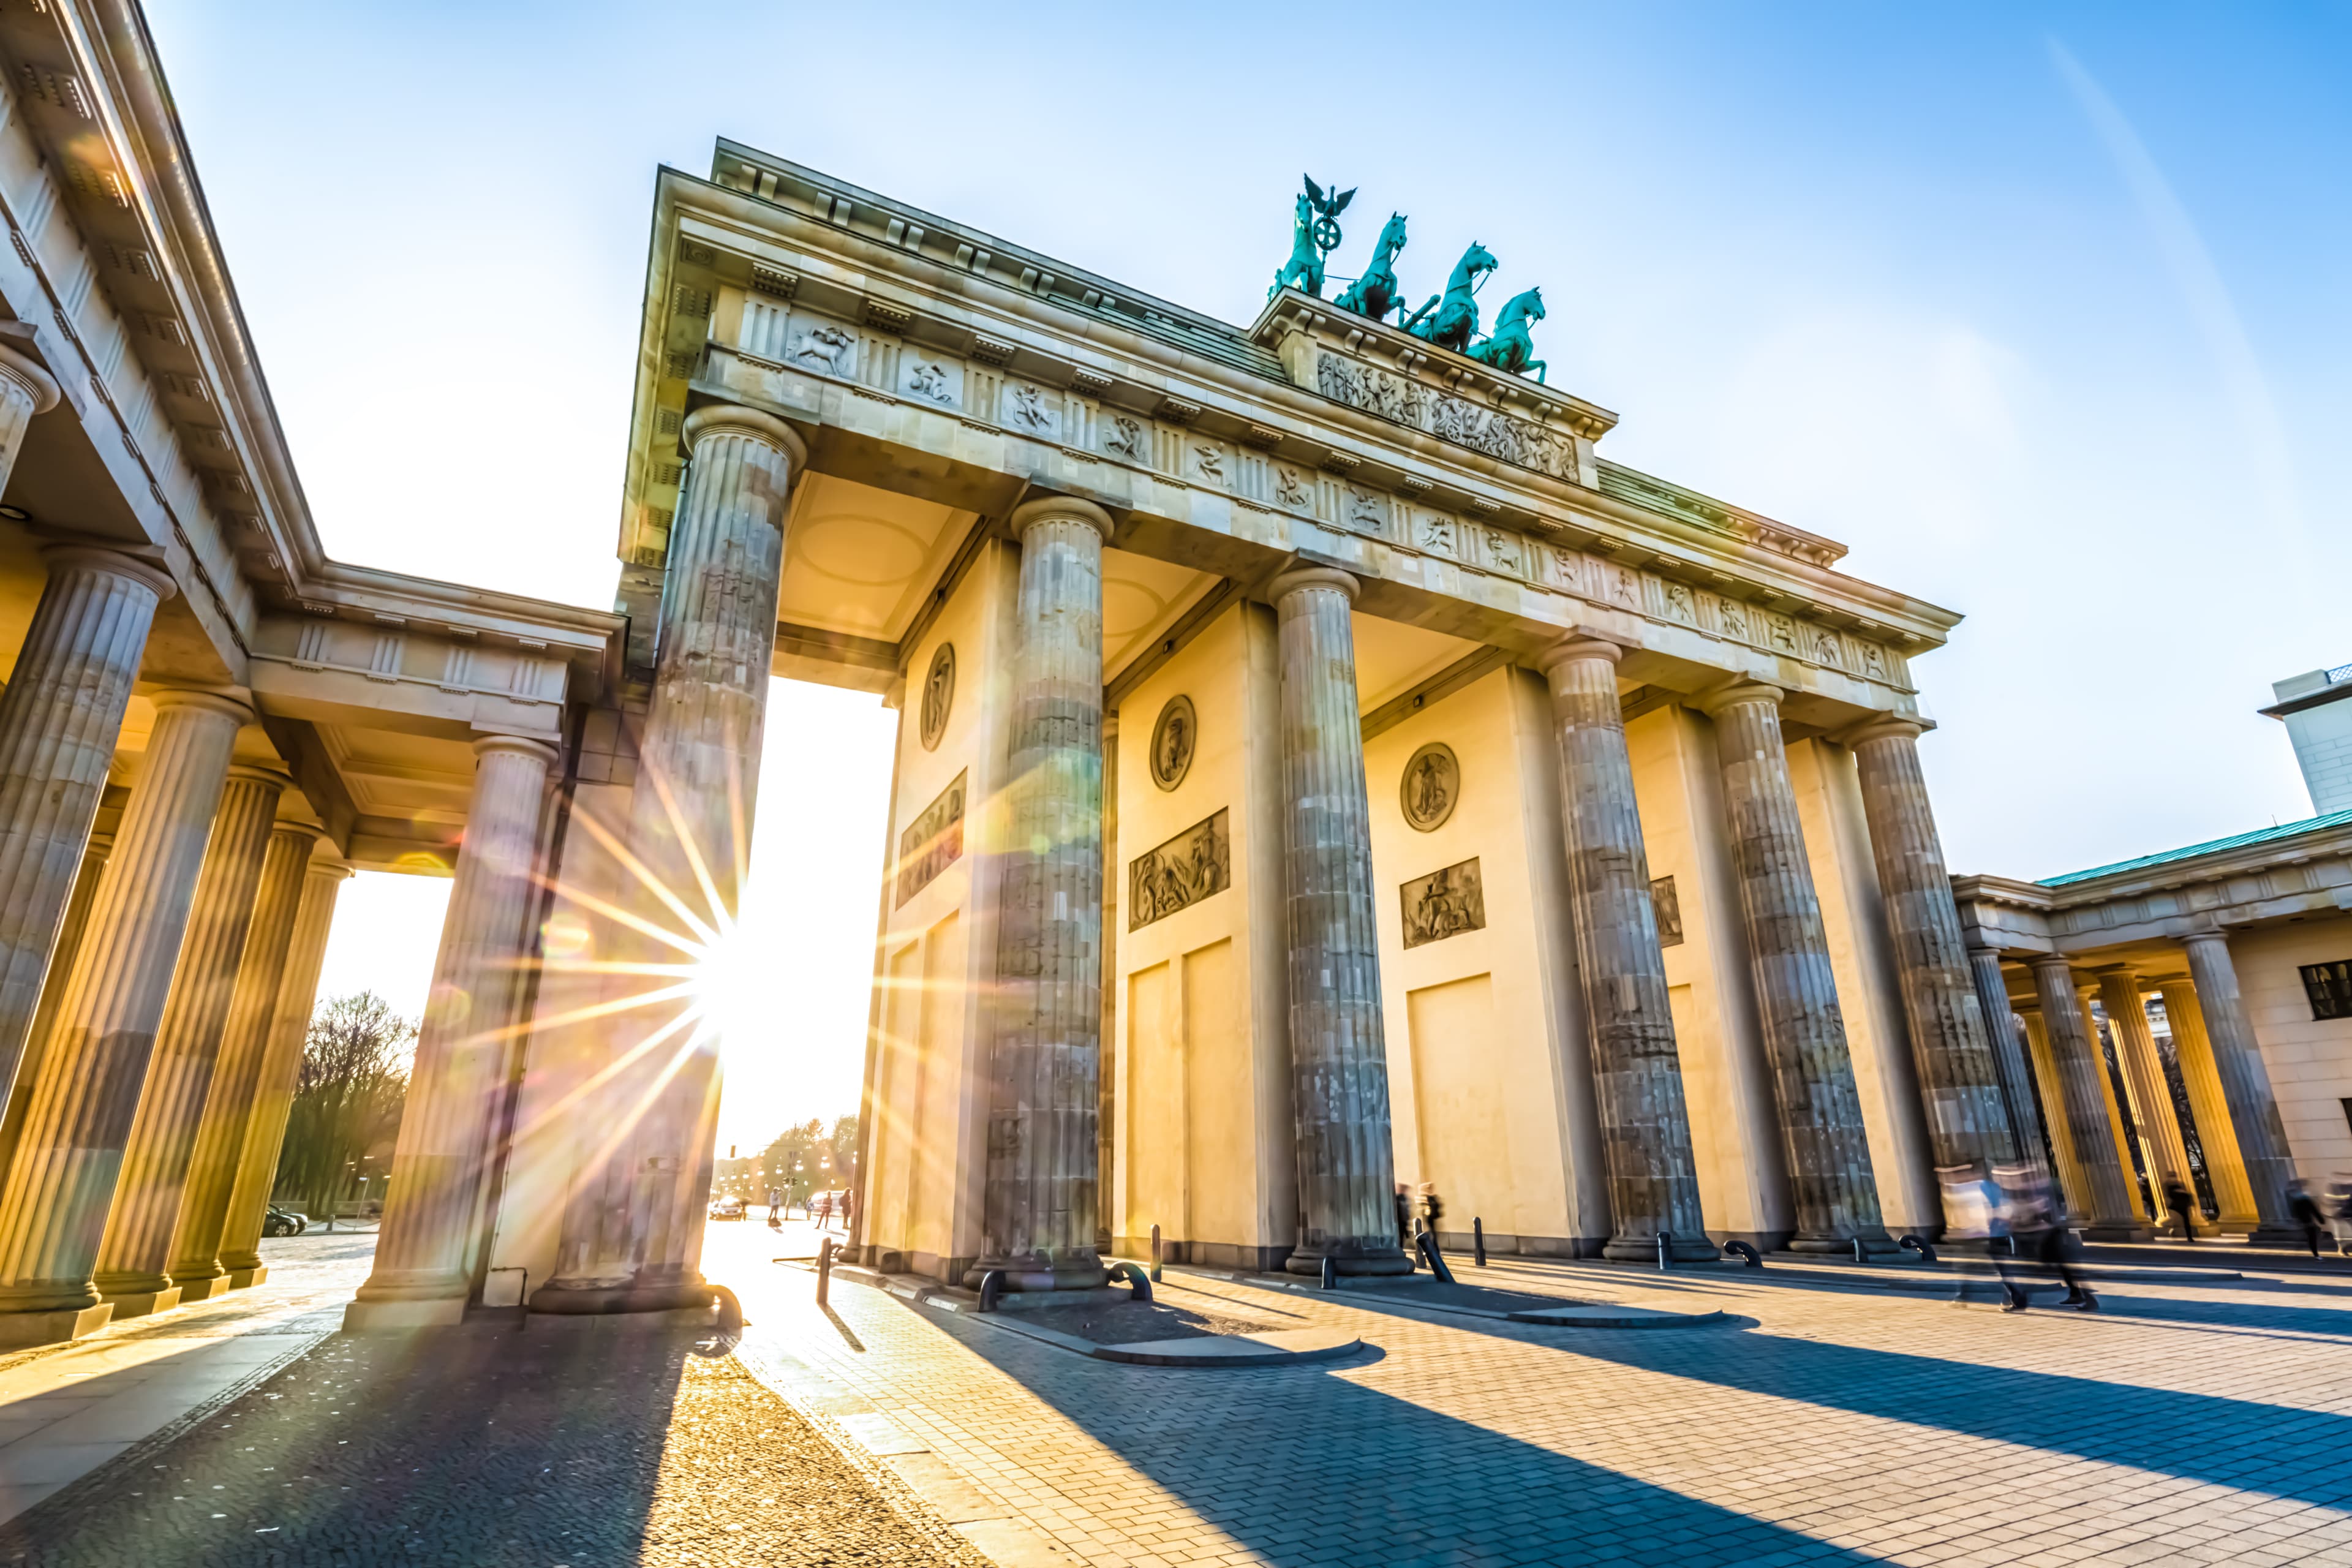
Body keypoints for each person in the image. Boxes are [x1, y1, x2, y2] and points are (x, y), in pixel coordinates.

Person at [1940, 1164, 2025, 1310]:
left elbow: (1983, 1213)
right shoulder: (1988, 1187)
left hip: (1984, 1235)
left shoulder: (1977, 1189)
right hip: (1987, 1234)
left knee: (1982, 1268)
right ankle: (1962, 1297)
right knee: (1969, 1268)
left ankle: (2016, 1297)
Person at [2288, 1179, 2329, 1258]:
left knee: (2312, 1235)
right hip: (2307, 1221)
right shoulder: (2304, 1199)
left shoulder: (2295, 1199)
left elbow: (2296, 1212)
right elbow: (2313, 1210)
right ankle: (2315, 1254)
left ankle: (2313, 1251)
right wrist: (2320, 1219)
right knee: (2312, 1236)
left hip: (2305, 1221)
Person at [2162, 1176, 2198, 1244]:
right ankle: (2189, 1237)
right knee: (2185, 1221)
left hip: (2181, 1206)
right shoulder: (2170, 1186)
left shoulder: (2177, 1186)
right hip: (2179, 1206)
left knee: (2185, 1221)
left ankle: (2189, 1237)